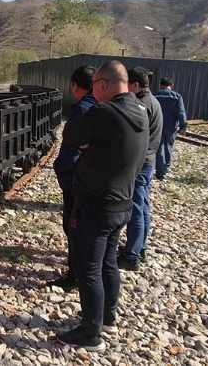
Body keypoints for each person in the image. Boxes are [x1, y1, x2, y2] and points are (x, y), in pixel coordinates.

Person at [56, 61, 149, 352]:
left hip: (96, 203)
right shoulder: (142, 111)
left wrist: (87, 146)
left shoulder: (103, 112)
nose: (93, 91)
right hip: (123, 202)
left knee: (89, 268)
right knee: (108, 262)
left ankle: (90, 334)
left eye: (95, 85)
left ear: (105, 84)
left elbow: (70, 135)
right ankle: (108, 318)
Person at [48, 66, 97, 291]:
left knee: (74, 227)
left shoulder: (83, 110)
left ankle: (75, 275)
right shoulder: (104, 105)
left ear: (75, 86)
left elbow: (70, 152)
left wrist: (60, 171)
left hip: (77, 182)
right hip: (97, 181)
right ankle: (85, 269)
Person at [118, 67, 163, 271]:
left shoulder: (141, 105)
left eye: (128, 85)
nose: (126, 89)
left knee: (136, 208)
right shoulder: (154, 101)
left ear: (136, 85)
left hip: (140, 163)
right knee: (143, 207)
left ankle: (132, 256)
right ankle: (140, 247)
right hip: (149, 161)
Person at [153, 77, 187, 180]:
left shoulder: (155, 96)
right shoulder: (177, 97)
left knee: (159, 148)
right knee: (168, 147)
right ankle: (166, 168)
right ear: (171, 86)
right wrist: (183, 126)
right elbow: (181, 112)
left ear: (161, 85)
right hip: (171, 127)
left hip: (158, 126)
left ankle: (160, 171)